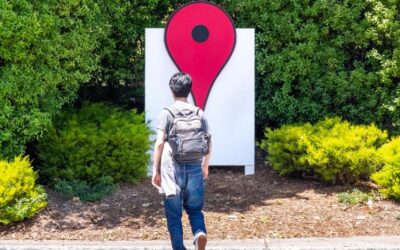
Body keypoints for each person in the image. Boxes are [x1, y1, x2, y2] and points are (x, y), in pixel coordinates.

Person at [152, 72, 211, 250]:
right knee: (194, 209)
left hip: (172, 170)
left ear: (172, 91)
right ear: (189, 90)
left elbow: (160, 143)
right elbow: (208, 140)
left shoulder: (167, 114)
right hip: (194, 167)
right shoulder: (199, 113)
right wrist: (205, 165)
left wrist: (155, 170)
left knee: (173, 215)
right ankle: (199, 233)